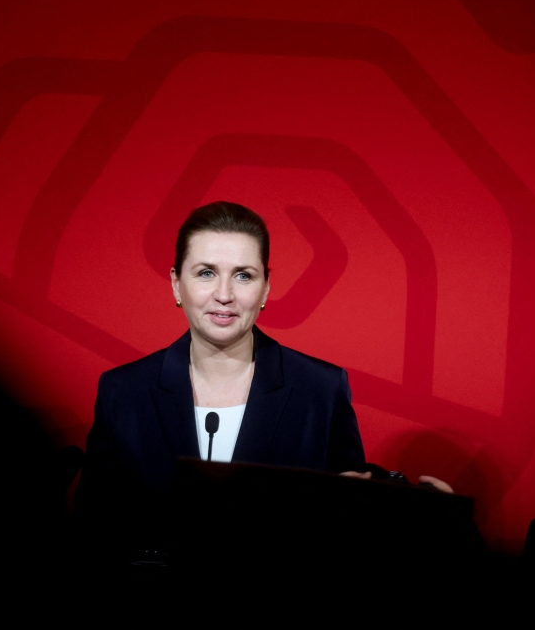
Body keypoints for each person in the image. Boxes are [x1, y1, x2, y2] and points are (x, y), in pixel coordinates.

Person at [74, 202, 449, 555]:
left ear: (266, 287)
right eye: (206, 273)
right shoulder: (123, 391)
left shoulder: (319, 389)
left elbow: (347, 529)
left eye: (243, 275)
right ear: (176, 284)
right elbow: (93, 530)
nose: (224, 295)